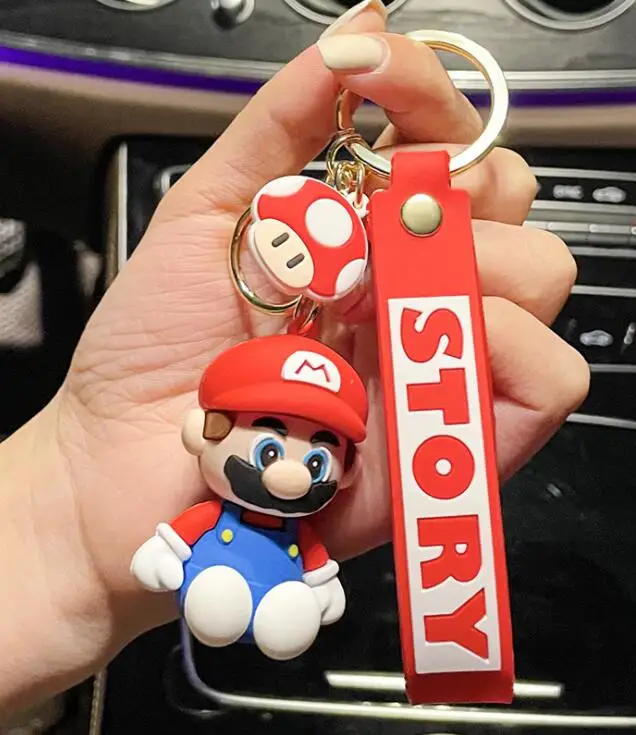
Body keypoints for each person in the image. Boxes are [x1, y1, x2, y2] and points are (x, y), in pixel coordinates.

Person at [0, 0, 589, 718]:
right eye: (274, 443)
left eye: (317, 454)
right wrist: (67, 533)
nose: (286, 470)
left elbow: (311, 558)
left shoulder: (298, 521)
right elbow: (178, 536)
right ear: (203, 431)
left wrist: (66, 543)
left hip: (282, 576)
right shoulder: (209, 506)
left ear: (348, 468)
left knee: (277, 615)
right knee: (222, 598)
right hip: (212, 568)